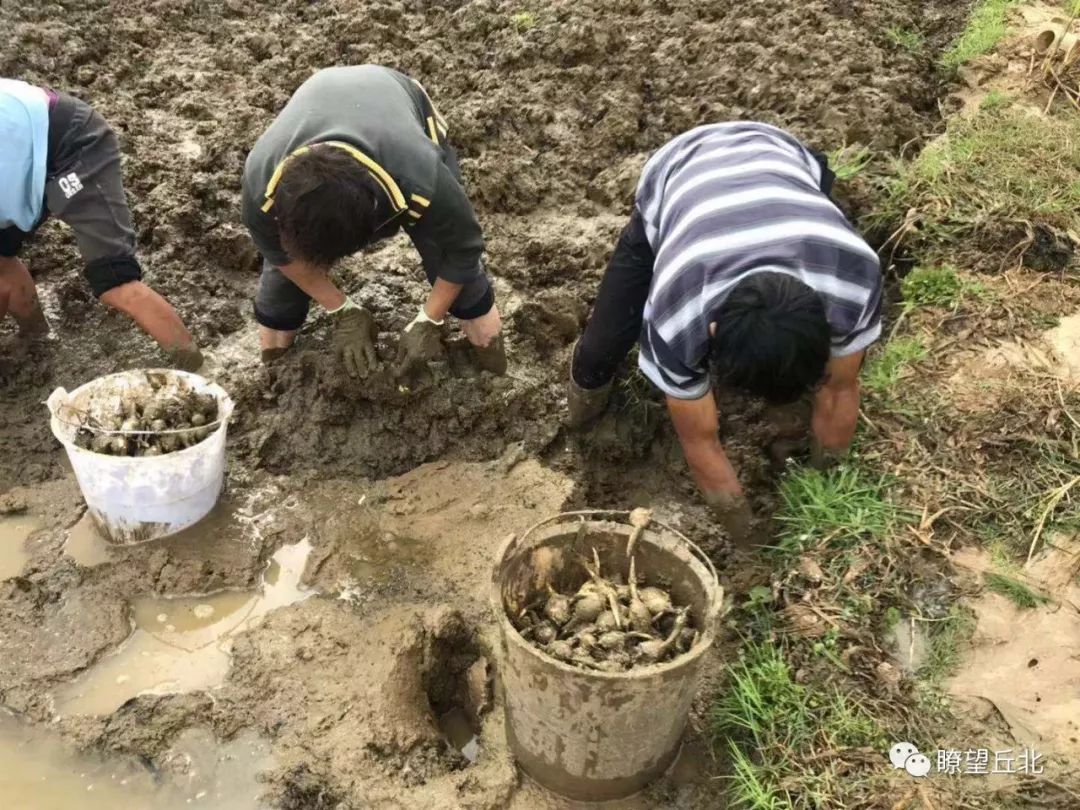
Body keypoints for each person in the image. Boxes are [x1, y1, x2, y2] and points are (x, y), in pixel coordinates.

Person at [568, 122, 883, 544]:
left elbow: (841, 388)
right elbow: (701, 442)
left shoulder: (853, 275)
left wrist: (829, 485)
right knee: (599, 352)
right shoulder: (676, 314)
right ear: (711, 331)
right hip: (677, 173)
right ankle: (581, 418)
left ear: (826, 321)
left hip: (782, 153)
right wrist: (748, 538)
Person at [242, 65, 505, 378]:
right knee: (278, 298)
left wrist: (430, 318)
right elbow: (279, 255)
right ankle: (272, 384)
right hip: (320, 97)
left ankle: (498, 378)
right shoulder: (260, 187)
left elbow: (463, 249)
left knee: (465, 286)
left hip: (395, 100)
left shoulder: (420, 176)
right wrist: (341, 309)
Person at [0, 78, 203, 369]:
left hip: (69, 144)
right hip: (21, 163)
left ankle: (196, 374)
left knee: (115, 281)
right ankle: (39, 341)